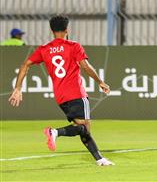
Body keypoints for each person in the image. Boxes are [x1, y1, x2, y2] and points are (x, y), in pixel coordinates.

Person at [8, 15, 115, 166]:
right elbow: (85, 66)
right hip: (76, 93)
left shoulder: (44, 49)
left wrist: (18, 88)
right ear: (67, 29)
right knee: (84, 128)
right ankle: (56, 132)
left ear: (52, 30)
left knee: (82, 128)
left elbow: (25, 65)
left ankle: (100, 159)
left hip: (61, 97)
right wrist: (100, 82)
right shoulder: (73, 46)